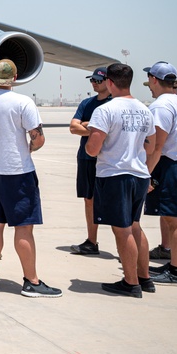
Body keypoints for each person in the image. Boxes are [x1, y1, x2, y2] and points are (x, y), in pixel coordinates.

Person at [0, 59, 61, 298]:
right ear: (15, 78)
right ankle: (31, 281)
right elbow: (38, 138)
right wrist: (27, 150)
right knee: (23, 227)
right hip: (17, 173)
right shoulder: (23, 102)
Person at [85, 63, 156, 298]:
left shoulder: (105, 110)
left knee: (122, 230)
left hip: (115, 175)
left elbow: (92, 149)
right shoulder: (144, 109)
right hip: (139, 174)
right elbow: (152, 145)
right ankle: (145, 278)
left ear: (110, 83)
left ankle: (130, 282)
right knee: (135, 226)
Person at [142, 62, 177, 285]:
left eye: (150, 80)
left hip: (169, 164)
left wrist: (146, 174)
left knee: (174, 219)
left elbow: (157, 146)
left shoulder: (160, 106)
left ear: (154, 80)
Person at [68, 67, 112, 255]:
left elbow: (111, 131)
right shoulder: (87, 103)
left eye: (98, 80)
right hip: (86, 158)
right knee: (89, 200)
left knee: (114, 201)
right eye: (92, 80)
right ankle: (92, 241)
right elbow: (73, 127)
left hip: (108, 159)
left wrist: (86, 125)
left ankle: (126, 245)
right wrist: (95, 128)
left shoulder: (114, 104)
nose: (94, 83)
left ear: (108, 81)